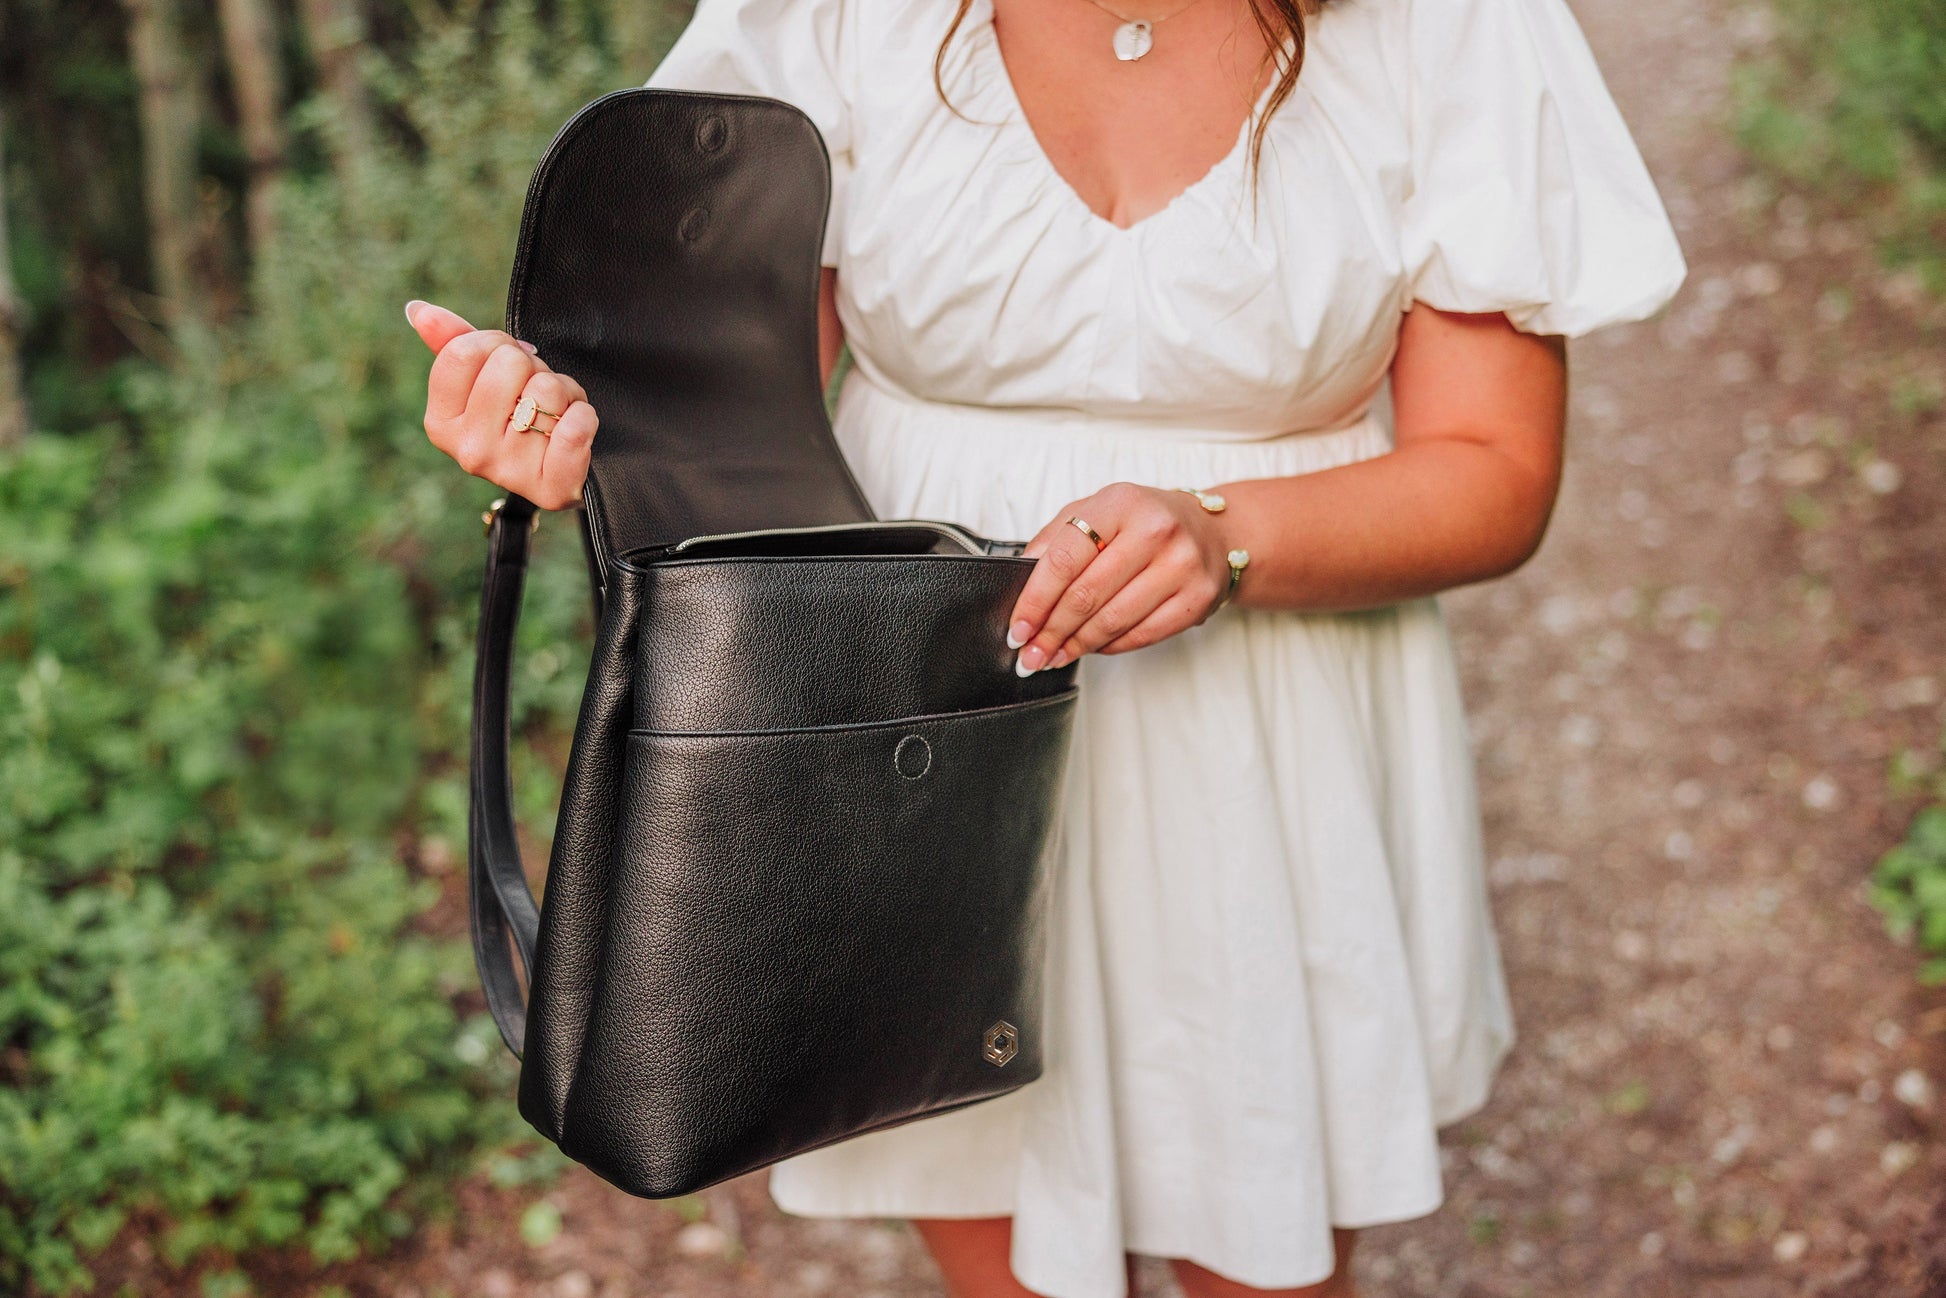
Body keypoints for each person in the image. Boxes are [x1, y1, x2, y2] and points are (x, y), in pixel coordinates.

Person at [406, 0, 1685, 1292]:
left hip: (1263, 746)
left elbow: (1492, 468)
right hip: (913, 726)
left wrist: (1227, 536)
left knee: (1265, 1250)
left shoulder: (1449, 25)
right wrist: (573, 430)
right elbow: (711, 406)